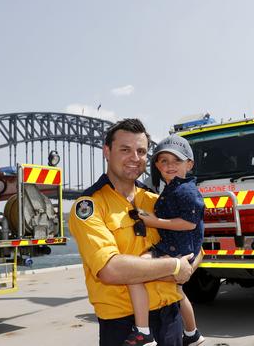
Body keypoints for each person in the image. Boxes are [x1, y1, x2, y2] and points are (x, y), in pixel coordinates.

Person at [69, 119, 201, 346]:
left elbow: (195, 244)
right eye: (125, 150)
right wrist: (175, 268)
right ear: (107, 152)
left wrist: (188, 266)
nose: (135, 158)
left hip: (170, 319)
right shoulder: (89, 206)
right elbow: (110, 270)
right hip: (124, 326)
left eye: (141, 151)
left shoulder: (156, 201)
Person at [126, 135, 206, 346]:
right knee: (178, 291)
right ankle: (193, 334)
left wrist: (153, 221)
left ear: (189, 164)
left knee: (135, 273)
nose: (170, 165)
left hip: (175, 249)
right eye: (164, 161)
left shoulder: (186, 190)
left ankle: (143, 332)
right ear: (157, 166)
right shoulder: (172, 188)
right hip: (174, 247)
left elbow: (189, 223)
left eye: (176, 161)